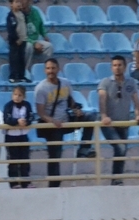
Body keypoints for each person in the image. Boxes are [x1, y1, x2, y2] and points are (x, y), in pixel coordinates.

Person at [35, 58, 97, 188]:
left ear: (58, 69)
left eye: (53, 68)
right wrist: (53, 121)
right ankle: (54, 185)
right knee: (55, 155)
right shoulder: (40, 88)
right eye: (48, 68)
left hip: (66, 120)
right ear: (44, 70)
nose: (51, 71)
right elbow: (41, 113)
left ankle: (84, 149)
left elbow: (71, 102)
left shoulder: (66, 83)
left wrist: (76, 110)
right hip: (51, 126)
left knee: (91, 116)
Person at [98, 55, 139, 185]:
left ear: (125, 67)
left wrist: (138, 114)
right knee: (120, 148)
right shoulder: (105, 82)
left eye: (119, 65)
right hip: (109, 124)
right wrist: (104, 115)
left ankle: (117, 179)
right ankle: (116, 180)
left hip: (124, 123)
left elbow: (136, 101)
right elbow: (102, 99)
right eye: (114, 65)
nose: (117, 68)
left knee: (121, 152)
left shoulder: (131, 82)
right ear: (111, 68)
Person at [3, 85, 33, 188]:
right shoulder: (8, 105)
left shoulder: (27, 105)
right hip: (11, 136)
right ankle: (14, 183)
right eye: (15, 94)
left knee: (25, 159)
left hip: (23, 135)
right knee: (13, 160)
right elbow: (6, 119)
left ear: (24, 96)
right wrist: (17, 121)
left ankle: (25, 182)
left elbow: (31, 117)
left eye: (20, 95)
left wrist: (26, 122)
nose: (17, 97)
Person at [22, 0, 53, 75]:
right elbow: (19, 35)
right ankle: (25, 71)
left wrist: (44, 35)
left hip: (34, 40)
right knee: (29, 46)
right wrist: (33, 43)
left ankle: (44, 71)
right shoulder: (17, 14)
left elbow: (40, 25)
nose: (22, 2)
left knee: (49, 46)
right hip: (22, 41)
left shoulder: (35, 11)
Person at [6, 0, 26, 83]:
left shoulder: (23, 14)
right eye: (16, 2)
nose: (19, 4)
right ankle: (13, 76)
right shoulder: (11, 16)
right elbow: (11, 30)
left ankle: (21, 75)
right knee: (14, 59)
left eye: (20, 2)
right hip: (15, 42)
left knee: (22, 58)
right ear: (11, 4)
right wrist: (16, 39)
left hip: (23, 40)